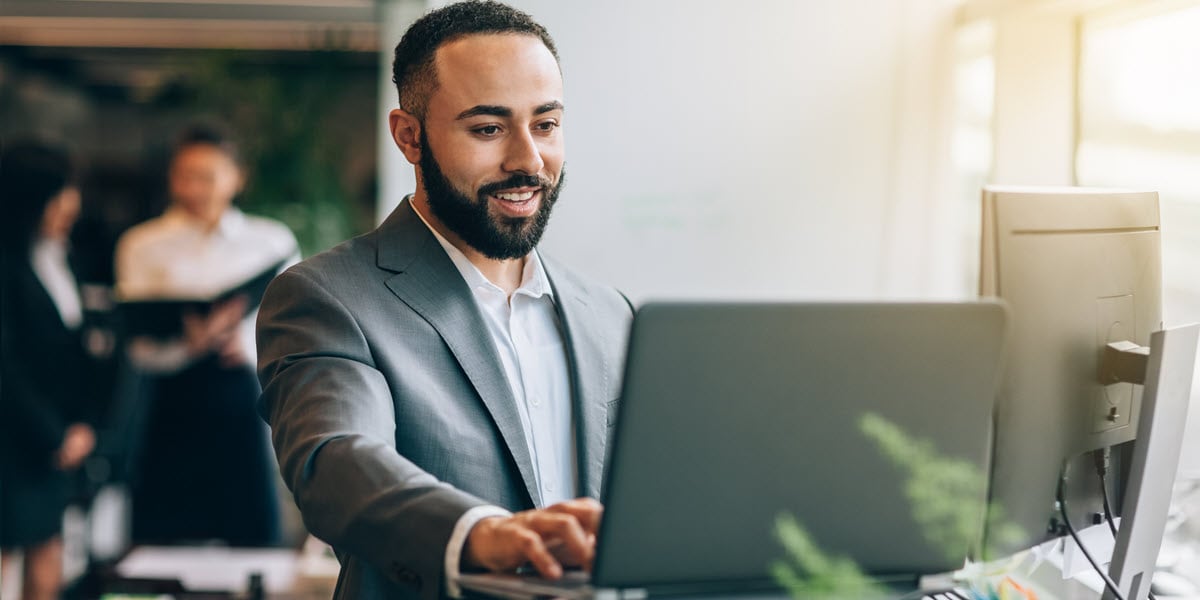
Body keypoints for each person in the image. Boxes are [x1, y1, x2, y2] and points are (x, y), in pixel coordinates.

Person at [256, 2, 634, 598]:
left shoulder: (611, 314)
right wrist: (482, 534)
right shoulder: (326, 298)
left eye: (546, 124)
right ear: (409, 136)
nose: (528, 160)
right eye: (488, 129)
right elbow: (336, 461)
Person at [114, 124, 298, 546]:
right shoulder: (141, 244)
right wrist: (188, 342)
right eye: (184, 175)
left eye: (208, 175)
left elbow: (294, 329)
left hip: (242, 394)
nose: (194, 187)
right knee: (163, 537)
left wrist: (247, 345)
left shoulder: (270, 241)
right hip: (171, 398)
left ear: (237, 176)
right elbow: (137, 341)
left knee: (250, 532)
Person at [0, 141, 98, 600]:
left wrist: (79, 426)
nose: (71, 204)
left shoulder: (62, 258)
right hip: (16, 437)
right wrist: (52, 434)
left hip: (54, 439)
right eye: (60, 193)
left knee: (48, 549)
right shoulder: (7, 264)